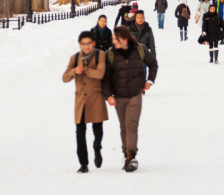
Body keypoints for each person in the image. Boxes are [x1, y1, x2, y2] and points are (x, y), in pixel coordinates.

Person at [102, 26, 158, 172]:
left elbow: (153, 64)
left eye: (116, 39)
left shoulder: (140, 50)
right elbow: (105, 77)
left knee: (131, 125)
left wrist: (150, 81)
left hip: (135, 94)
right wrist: (108, 95)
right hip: (119, 96)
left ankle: (131, 156)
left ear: (124, 39)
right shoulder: (110, 54)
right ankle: (126, 151)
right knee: (123, 126)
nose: (113, 41)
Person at [63, 31, 108, 173]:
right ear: (79, 44)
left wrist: (86, 70)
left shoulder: (100, 55)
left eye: (89, 43)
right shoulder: (75, 58)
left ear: (93, 44)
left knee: (97, 130)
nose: (86, 46)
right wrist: (75, 71)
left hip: (95, 97)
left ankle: (97, 147)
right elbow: (64, 78)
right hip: (81, 100)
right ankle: (83, 163)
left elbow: (100, 73)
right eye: (83, 44)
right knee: (80, 132)